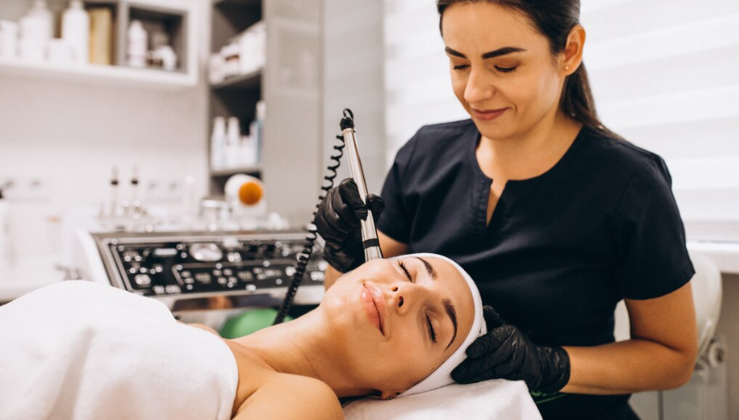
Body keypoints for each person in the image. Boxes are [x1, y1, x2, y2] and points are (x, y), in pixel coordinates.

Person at [314, 1, 698, 419]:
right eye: (459, 65)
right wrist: (345, 257)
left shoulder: (629, 183)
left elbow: (673, 358)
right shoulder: (424, 155)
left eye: (505, 67)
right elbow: (353, 318)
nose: (474, 92)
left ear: (568, 51)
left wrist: (549, 366)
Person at [0, 254, 485, 420]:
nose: (403, 293)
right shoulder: (192, 334)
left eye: (430, 325)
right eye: (406, 269)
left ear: (398, 392)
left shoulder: (303, 400)